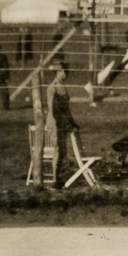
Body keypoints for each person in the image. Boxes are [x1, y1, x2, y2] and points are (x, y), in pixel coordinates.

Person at [46, 59, 82, 188]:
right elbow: (55, 110)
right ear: (57, 72)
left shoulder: (63, 87)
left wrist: (72, 122)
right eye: (64, 71)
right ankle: (55, 180)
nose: (66, 74)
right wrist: (66, 124)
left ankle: (60, 177)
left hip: (62, 125)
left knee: (63, 152)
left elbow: (67, 109)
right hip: (55, 124)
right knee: (58, 151)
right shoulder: (52, 88)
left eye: (67, 71)